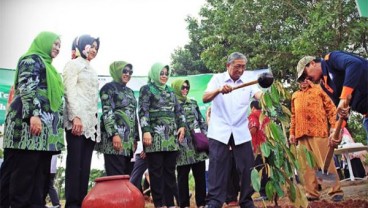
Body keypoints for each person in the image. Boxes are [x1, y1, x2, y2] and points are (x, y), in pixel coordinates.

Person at [0, 31, 64, 207]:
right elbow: (28, 87)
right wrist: (33, 115)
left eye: (60, 45)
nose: (58, 48)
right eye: (55, 43)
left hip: (43, 135)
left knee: (39, 177)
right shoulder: (31, 59)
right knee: (23, 175)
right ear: (43, 42)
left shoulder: (51, 68)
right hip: (27, 130)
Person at [203, 52, 262, 208]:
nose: (240, 70)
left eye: (243, 67)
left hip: (240, 129)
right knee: (217, 167)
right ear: (228, 65)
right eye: (237, 66)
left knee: (247, 166)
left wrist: (267, 96)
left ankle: (246, 201)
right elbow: (205, 97)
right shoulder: (217, 79)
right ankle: (215, 201)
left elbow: (258, 95)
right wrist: (219, 90)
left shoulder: (249, 80)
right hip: (219, 130)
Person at [138, 63, 186, 208]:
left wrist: (182, 126)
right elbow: (143, 110)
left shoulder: (171, 91)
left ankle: (170, 204)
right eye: (161, 73)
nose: (164, 75)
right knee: (156, 172)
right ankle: (159, 204)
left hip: (171, 137)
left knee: (170, 172)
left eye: (166, 73)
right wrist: (146, 130)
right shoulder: (146, 89)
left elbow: (178, 111)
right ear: (154, 74)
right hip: (154, 137)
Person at [296, 51, 368, 146]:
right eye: (303, 78)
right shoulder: (325, 86)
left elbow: (354, 64)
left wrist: (343, 98)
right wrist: (338, 130)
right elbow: (340, 109)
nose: (306, 79)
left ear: (312, 63)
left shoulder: (331, 59)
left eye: (305, 74)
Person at [289, 77, 344, 202]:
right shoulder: (295, 95)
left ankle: (335, 191)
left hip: (318, 131)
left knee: (325, 162)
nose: (303, 81)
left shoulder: (319, 89)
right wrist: (292, 133)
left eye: (305, 78)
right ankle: (312, 193)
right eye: (300, 79)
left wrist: (334, 127)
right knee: (307, 167)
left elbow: (331, 109)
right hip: (301, 134)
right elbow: (293, 115)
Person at [63, 34, 100, 208]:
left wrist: (94, 124)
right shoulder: (73, 64)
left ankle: (82, 202)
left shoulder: (92, 70)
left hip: (90, 125)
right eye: (91, 46)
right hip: (76, 121)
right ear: (82, 46)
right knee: (74, 164)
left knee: (85, 167)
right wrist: (75, 116)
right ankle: (71, 204)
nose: (94, 50)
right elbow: (69, 91)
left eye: (96, 48)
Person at [95, 61, 139, 176]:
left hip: (128, 142)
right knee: (116, 178)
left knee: (127, 177)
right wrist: (114, 134)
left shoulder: (129, 92)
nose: (127, 74)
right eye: (124, 71)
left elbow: (133, 115)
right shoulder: (108, 88)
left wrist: (135, 139)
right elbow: (107, 112)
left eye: (130, 72)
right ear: (117, 71)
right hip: (114, 141)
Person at [171, 79, 208, 208]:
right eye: (182, 87)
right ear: (176, 88)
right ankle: (184, 204)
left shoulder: (193, 103)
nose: (185, 89)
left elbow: (201, 121)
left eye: (187, 87)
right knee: (182, 177)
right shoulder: (172, 105)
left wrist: (205, 136)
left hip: (198, 145)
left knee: (200, 176)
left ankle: (202, 203)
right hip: (182, 146)